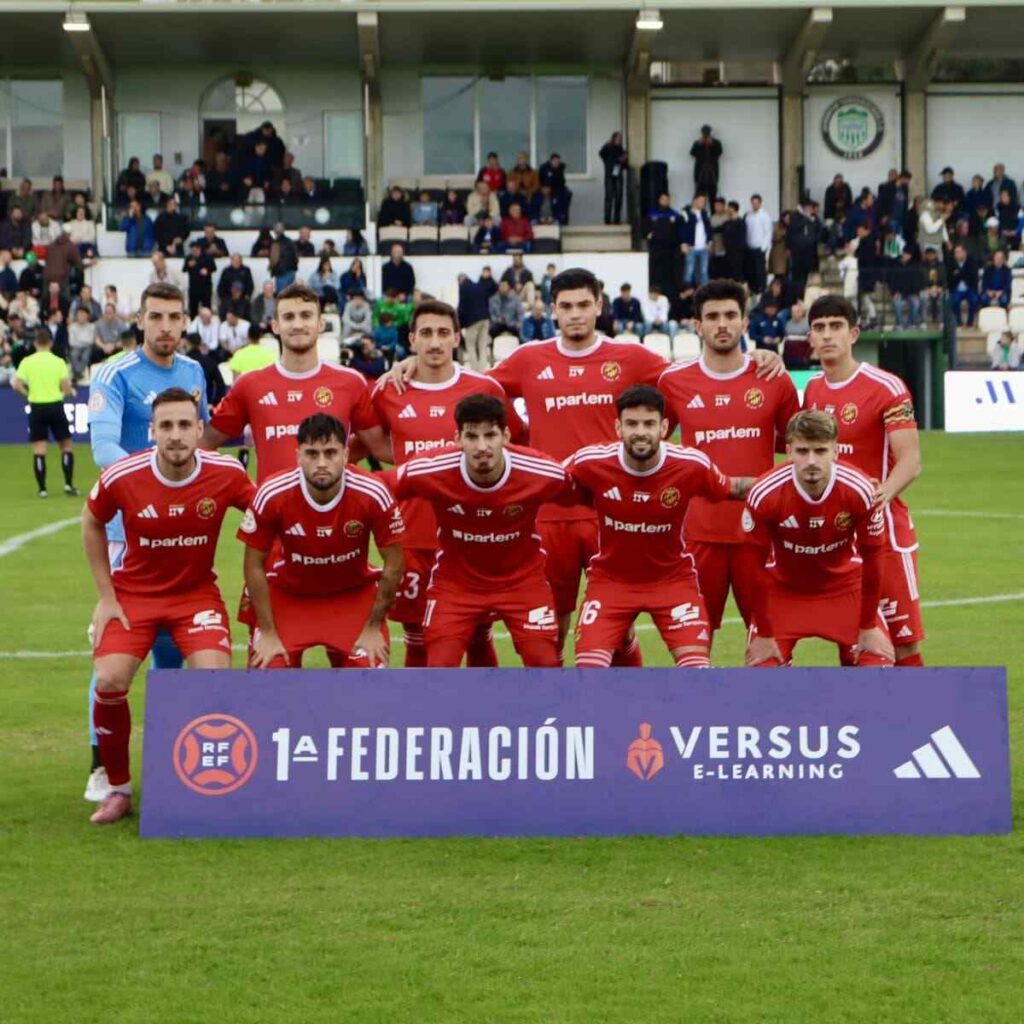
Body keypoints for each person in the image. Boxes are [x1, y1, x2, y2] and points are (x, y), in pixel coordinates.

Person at [380, 267, 784, 663]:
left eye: (584, 305)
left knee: (618, 619)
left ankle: (624, 701)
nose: (575, 313)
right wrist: (416, 366)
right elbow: (474, 388)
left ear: (599, 306)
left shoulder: (632, 358)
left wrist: (755, 357)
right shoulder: (528, 359)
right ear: (552, 310)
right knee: (554, 621)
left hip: (610, 513)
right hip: (549, 512)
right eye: (566, 305)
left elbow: (699, 375)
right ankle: (561, 709)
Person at [82, 387, 254, 824]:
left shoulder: (227, 473)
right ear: (152, 431)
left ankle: (198, 782)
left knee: (214, 684)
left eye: (184, 425)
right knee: (109, 680)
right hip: (134, 595)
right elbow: (92, 520)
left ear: (199, 429)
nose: (175, 435)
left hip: (196, 595)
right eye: (166, 426)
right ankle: (118, 789)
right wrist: (106, 597)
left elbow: (265, 513)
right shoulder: (122, 475)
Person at [84, 282, 209, 803]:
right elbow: (102, 444)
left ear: (185, 323)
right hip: (125, 535)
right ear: (140, 320)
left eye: (174, 317)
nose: (165, 327)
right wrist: (149, 485)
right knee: (116, 650)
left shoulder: (194, 372)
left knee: (172, 650)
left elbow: (202, 435)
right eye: (156, 317)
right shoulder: (113, 374)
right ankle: (100, 765)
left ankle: (173, 758)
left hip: (181, 535)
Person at [371, 302, 519, 667]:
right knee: (417, 636)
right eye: (425, 333)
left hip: (473, 536)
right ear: (411, 339)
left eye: (442, 333)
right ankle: (424, 720)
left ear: (456, 337)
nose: (434, 342)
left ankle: (485, 719)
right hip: (411, 536)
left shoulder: (483, 387)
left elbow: (514, 444)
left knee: (478, 634)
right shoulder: (389, 390)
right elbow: (366, 445)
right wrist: (415, 462)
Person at [566, 385, 752, 668]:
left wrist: (792, 485)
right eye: (632, 424)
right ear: (618, 427)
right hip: (610, 583)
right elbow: (546, 481)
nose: (640, 432)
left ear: (664, 427)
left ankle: (627, 644)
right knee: (588, 674)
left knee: (696, 673)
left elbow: (733, 487)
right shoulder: (590, 462)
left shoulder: (690, 465)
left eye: (649, 423)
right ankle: (624, 644)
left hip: (673, 582)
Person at [657, 280, 800, 637]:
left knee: (771, 635)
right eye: (713, 316)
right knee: (694, 636)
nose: (722, 323)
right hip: (699, 532)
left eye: (731, 315)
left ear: (745, 323)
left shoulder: (773, 379)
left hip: (761, 531)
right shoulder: (673, 381)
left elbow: (801, 450)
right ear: (697, 325)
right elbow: (651, 445)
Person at [394, 394, 568, 667]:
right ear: (457, 438)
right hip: (456, 584)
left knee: (544, 663)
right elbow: (377, 491)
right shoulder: (429, 469)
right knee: (439, 665)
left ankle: (548, 711)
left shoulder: (543, 472)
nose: (482, 446)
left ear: (506, 436)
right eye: (472, 437)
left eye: (490, 435)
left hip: (522, 582)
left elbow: (583, 495)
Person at [803, 295, 925, 667]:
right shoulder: (813, 391)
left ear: (853, 333)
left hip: (885, 536)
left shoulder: (885, 387)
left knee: (903, 644)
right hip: (839, 540)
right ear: (809, 337)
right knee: (853, 642)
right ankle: (864, 725)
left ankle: (919, 721)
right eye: (819, 328)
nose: (827, 335)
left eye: (836, 326)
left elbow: (911, 461)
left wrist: (879, 496)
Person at [239, 413, 404, 669]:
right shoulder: (272, 493)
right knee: (268, 674)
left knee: (368, 679)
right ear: (298, 456)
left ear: (346, 455)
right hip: (290, 596)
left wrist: (373, 627)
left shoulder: (373, 493)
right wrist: (269, 633)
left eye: (331, 453)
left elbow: (394, 563)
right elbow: (253, 564)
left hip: (353, 596)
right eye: (312, 454)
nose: (322, 462)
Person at [743, 409, 895, 668]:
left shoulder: (861, 490)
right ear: (789, 451)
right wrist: (765, 634)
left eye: (820, 451)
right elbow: (751, 567)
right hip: (783, 592)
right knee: (762, 673)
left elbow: (874, 556)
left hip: (845, 588)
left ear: (836, 451)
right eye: (803, 451)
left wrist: (868, 625)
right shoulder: (764, 493)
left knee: (877, 668)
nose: (811, 461)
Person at [12, 330, 77, 497]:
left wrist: (28, 394)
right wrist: (71, 393)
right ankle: (68, 485)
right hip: (55, 405)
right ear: (51, 343)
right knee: (66, 445)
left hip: (37, 406)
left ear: (35, 344)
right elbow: (65, 388)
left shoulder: (28, 361)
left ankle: (42, 489)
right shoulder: (58, 362)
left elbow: (16, 383)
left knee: (39, 449)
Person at [457, 273, 493, 371]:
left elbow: (462, 307)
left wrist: (460, 324)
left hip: (473, 321)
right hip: (485, 318)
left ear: (460, 280)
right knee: (482, 345)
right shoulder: (479, 286)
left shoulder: (463, 288)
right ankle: (483, 370)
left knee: (470, 345)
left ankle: (475, 371)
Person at [680, 194, 711, 287]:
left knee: (704, 271)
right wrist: (683, 243)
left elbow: (709, 229)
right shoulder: (686, 213)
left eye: (704, 202)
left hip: (703, 247)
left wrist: (710, 241)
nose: (703, 203)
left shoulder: (705, 213)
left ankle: (705, 290)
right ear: (694, 201)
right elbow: (682, 229)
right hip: (691, 246)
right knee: (689, 270)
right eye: (701, 201)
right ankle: (688, 289)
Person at [744, 194, 772, 295]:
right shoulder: (748, 215)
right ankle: (753, 290)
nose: (754, 205)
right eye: (753, 203)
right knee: (751, 271)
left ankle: (762, 290)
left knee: (760, 270)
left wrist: (764, 247)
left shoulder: (765, 215)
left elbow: (768, 232)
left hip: (760, 248)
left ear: (760, 203)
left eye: (756, 203)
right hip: (749, 247)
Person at [947, 243, 980, 326]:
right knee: (954, 300)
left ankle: (970, 322)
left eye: (959, 252)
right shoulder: (951, 263)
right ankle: (958, 322)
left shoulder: (972, 262)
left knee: (974, 300)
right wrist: (962, 274)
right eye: (955, 252)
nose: (956, 254)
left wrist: (959, 274)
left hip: (969, 288)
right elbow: (950, 279)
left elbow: (974, 278)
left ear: (964, 252)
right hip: (956, 288)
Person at [599, 132, 627, 225]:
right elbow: (601, 153)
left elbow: (625, 164)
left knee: (619, 197)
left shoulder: (622, 150)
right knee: (609, 197)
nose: (619, 140)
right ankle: (607, 219)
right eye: (617, 138)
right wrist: (608, 163)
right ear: (613, 138)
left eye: (620, 139)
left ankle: (616, 219)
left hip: (618, 174)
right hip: (609, 175)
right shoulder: (608, 147)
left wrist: (623, 160)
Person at [183, 241, 216, 318]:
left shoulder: (208, 257)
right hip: (194, 286)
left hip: (205, 287)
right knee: (193, 307)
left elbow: (214, 268)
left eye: (195, 250)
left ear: (199, 249)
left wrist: (207, 270)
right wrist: (189, 265)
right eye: (192, 250)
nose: (194, 252)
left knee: (206, 306)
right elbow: (184, 269)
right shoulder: (189, 258)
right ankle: (193, 323)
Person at [690, 125, 722, 197]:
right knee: (699, 196)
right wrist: (699, 144)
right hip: (700, 172)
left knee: (713, 195)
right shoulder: (697, 142)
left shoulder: (716, 142)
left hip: (712, 172)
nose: (706, 135)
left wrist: (712, 144)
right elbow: (692, 153)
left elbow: (719, 152)